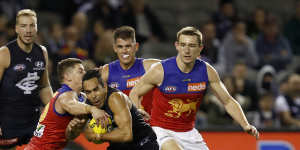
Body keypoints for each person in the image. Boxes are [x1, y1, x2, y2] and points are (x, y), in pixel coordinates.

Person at [129, 26, 259, 150]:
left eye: (191, 46)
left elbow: (228, 101)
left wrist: (245, 124)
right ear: (177, 46)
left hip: (189, 132)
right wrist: (139, 109)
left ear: (200, 48)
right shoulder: (160, 70)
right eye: (183, 45)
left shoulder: (207, 71)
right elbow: (134, 93)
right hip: (160, 130)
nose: (187, 50)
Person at [24, 58, 109, 150]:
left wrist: (76, 129)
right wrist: (93, 109)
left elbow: (71, 136)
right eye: (80, 71)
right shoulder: (64, 95)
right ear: (67, 76)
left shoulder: (82, 98)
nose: (85, 74)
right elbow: (71, 105)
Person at [0, 9, 54, 149]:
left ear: (36, 28)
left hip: (33, 121)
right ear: (16, 29)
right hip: (8, 123)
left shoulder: (42, 52)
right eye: (23, 26)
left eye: (32, 25)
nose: (28, 30)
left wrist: (55, 111)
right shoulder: (4, 53)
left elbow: (44, 86)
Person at [81, 69, 159, 150]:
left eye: (96, 90)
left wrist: (99, 136)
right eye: (88, 92)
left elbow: (127, 135)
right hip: (119, 146)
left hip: (142, 142)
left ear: (104, 86)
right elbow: (85, 134)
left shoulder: (115, 99)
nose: (93, 96)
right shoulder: (88, 105)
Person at [101, 26, 160, 117]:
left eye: (128, 46)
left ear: (136, 47)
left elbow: (175, 69)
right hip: (120, 127)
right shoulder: (105, 72)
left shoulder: (149, 66)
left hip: (148, 126)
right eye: (120, 47)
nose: (124, 51)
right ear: (115, 48)